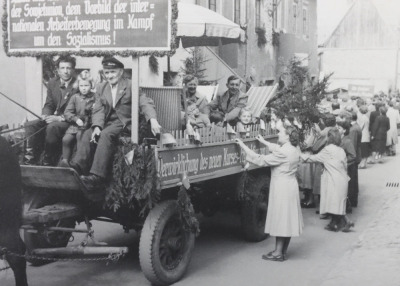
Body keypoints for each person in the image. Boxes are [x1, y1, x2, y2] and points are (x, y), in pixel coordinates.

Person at [70, 57, 162, 190]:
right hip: (107, 122)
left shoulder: (131, 85)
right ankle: (77, 167)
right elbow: (98, 109)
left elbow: (144, 102)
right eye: (106, 73)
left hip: (124, 122)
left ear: (120, 72)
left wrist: (152, 120)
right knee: (88, 133)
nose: (109, 76)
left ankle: (97, 176)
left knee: (106, 134)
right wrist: (97, 126)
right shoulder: (102, 87)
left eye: (112, 72)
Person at [235, 127, 303, 262]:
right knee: (288, 219)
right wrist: (264, 141)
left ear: (288, 137)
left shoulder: (283, 152)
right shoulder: (294, 149)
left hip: (281, 188)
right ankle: (282, 251)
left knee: (281, 220)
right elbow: (277, 149)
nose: (278, 133)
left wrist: (242, 145)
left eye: (281, 132)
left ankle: (278, 253)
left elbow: (260, 160)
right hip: (291, 186)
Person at [24, 55, 78, 166]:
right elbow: (49, 104)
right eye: (62, 68)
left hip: (71, 121)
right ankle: (30, 161)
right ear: (57, 70)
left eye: (68, 68)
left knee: (52, 127)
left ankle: (47, 161)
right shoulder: (53, 83)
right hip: (54, 118)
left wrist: (60, 118)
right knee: (31, 125)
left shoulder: (79, 85)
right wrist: (45, 114)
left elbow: (80, 110)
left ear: (73, 69)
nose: (66, 71)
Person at [301, 128, 354, 232]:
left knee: (332, 202)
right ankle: (339, 223)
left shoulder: (328, 149)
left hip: (333, 180)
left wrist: (301, 156)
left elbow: (314, 158)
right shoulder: (341, 150)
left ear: (330, 138)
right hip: (342, 179)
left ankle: (338, 224)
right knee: (337, 203)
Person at [59, 70, 96, 167]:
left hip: (87, 126)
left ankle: (78, 163)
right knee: (66, 139)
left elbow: (97, 112)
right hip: (75, 125)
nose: (83, 88)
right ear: (78, 86)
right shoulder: (75, 97)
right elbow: (67, 112)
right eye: (81, 86)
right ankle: (65, 161)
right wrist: (75, 119)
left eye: (86, 85)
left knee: (80, 138)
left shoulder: (95, 97)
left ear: (91, 85)